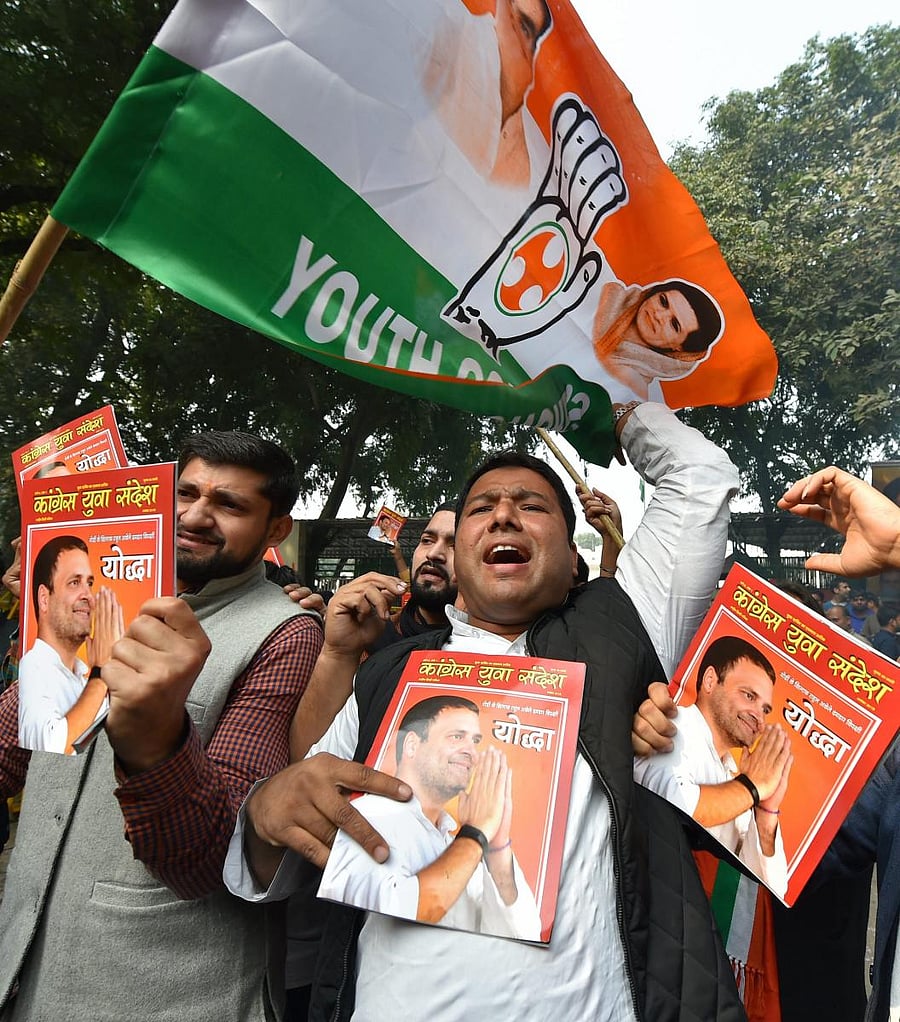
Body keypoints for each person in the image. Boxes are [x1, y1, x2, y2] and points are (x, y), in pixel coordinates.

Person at [227, 402, 745, 1021]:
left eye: (532, 506)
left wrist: (605, 408)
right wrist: (264, 811)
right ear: (459, 556)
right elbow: (288, 847)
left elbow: (699, 477)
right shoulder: (388, 676)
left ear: (571, 551)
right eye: (482, 508)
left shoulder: (622, 629)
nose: (503, 514)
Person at [0, 430, 324, 1021]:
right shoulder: (97, 592)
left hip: (160, 986)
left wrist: (158, 739)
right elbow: (8, 760)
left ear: (276, 529)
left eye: (229, 504)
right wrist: (47, 633)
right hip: (26, 962)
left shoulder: (286, 632)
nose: (196, 516)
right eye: (187, 493)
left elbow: (218, 852)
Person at [319, 695, 540, 938]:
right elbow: (399, 907)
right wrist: (476, 834)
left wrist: (497, 847)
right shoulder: (367, 816)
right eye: (457, 737)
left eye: (475, 741)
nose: (471, 753)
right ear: (412, 745)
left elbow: (523, 936)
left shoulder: (457, 842)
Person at [633, 636, 791, 899]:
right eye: (749, 696)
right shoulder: (671, 727)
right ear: (710, 681)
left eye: (765, 709)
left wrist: (766, 813)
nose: (758, 717)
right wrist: (751, 787)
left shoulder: (733, 773)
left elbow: (766, 893)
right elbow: (672, 813)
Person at [425, 0, 552, 188]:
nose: (505, 28)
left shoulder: (520, 163)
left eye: (523, 28)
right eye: (507, 10)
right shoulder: (444, 41)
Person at [16, 536, 122, 754]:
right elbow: (51, 749)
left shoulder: (84, 676)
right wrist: (100, 675)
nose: (88, 596)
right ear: (44, 598)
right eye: (74, 582)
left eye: (89, 583)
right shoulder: (34, 665)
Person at [593, 279, 723, 399]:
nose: (659, 315)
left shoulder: (632, 385)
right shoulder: (607, 293)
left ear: (679, 348)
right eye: (663, 302)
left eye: (674, 324)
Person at [367, 504, 457, 654]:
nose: (433, 554)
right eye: (427, 540)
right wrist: (336, 653)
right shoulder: (368, 635)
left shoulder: (492, 650)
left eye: (455, 546)